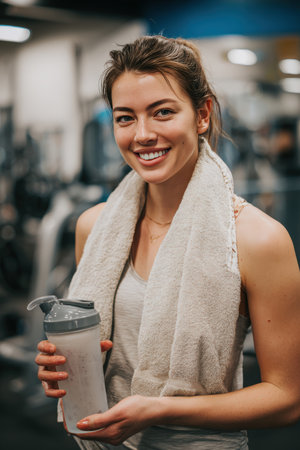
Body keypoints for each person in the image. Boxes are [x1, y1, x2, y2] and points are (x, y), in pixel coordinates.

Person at [35, 36, 300, 450]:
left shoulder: (256, 238)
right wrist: (62, 366)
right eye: (125, 118)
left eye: (162, 112)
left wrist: (158, 409)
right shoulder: (93, 226)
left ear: (202, 114)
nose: (143, 134)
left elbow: (287, 398)